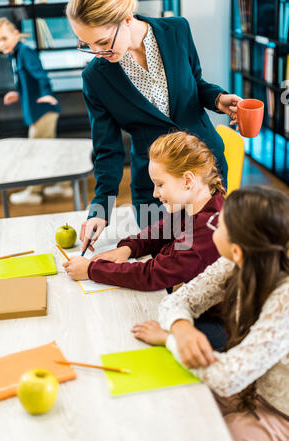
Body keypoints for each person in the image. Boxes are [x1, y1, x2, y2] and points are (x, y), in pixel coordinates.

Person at [66, 0, 242, 252]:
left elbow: (195, 82)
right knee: (164, 260)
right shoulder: (95, 78)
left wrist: (218, 98)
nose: (96, 52)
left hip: (206, 173)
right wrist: (100, 210)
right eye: (87, 44)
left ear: (127, 18)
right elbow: (108, 150)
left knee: (211, 254)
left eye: (102, 42)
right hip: (155, 189)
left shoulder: (178, 29)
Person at [132, 186, 289, 441]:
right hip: (250, 387)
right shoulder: (236, 262)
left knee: (216, 437)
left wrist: (172, 341)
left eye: (222, 223)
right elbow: (180, 299)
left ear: (238, 249)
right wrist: (181, 328)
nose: (214, 224)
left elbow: (229, 377)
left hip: (279, 409)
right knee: (175, 401)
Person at [64, 132, 228, 351]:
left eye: (160, 185)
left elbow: (153, 274)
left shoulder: (207, 231)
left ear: (187, 180)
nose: (155, 193)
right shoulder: (199, 202)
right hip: (198, 305)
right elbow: (162, 229)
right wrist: (128, 248)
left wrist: (92, 269)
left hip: (220, 326)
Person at [0, 17, 72, 204]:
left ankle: (33, 192)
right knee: (48, 151)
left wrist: (47, 94)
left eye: (4, 38)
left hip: (42, 111)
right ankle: (66, 185)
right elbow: (27, 81)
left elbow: (41, 76)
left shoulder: (25, 52)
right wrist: (17, 94)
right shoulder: (15, 54)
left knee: (36, 153)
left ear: (16, 34)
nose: (0, 43)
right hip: (37, 110)